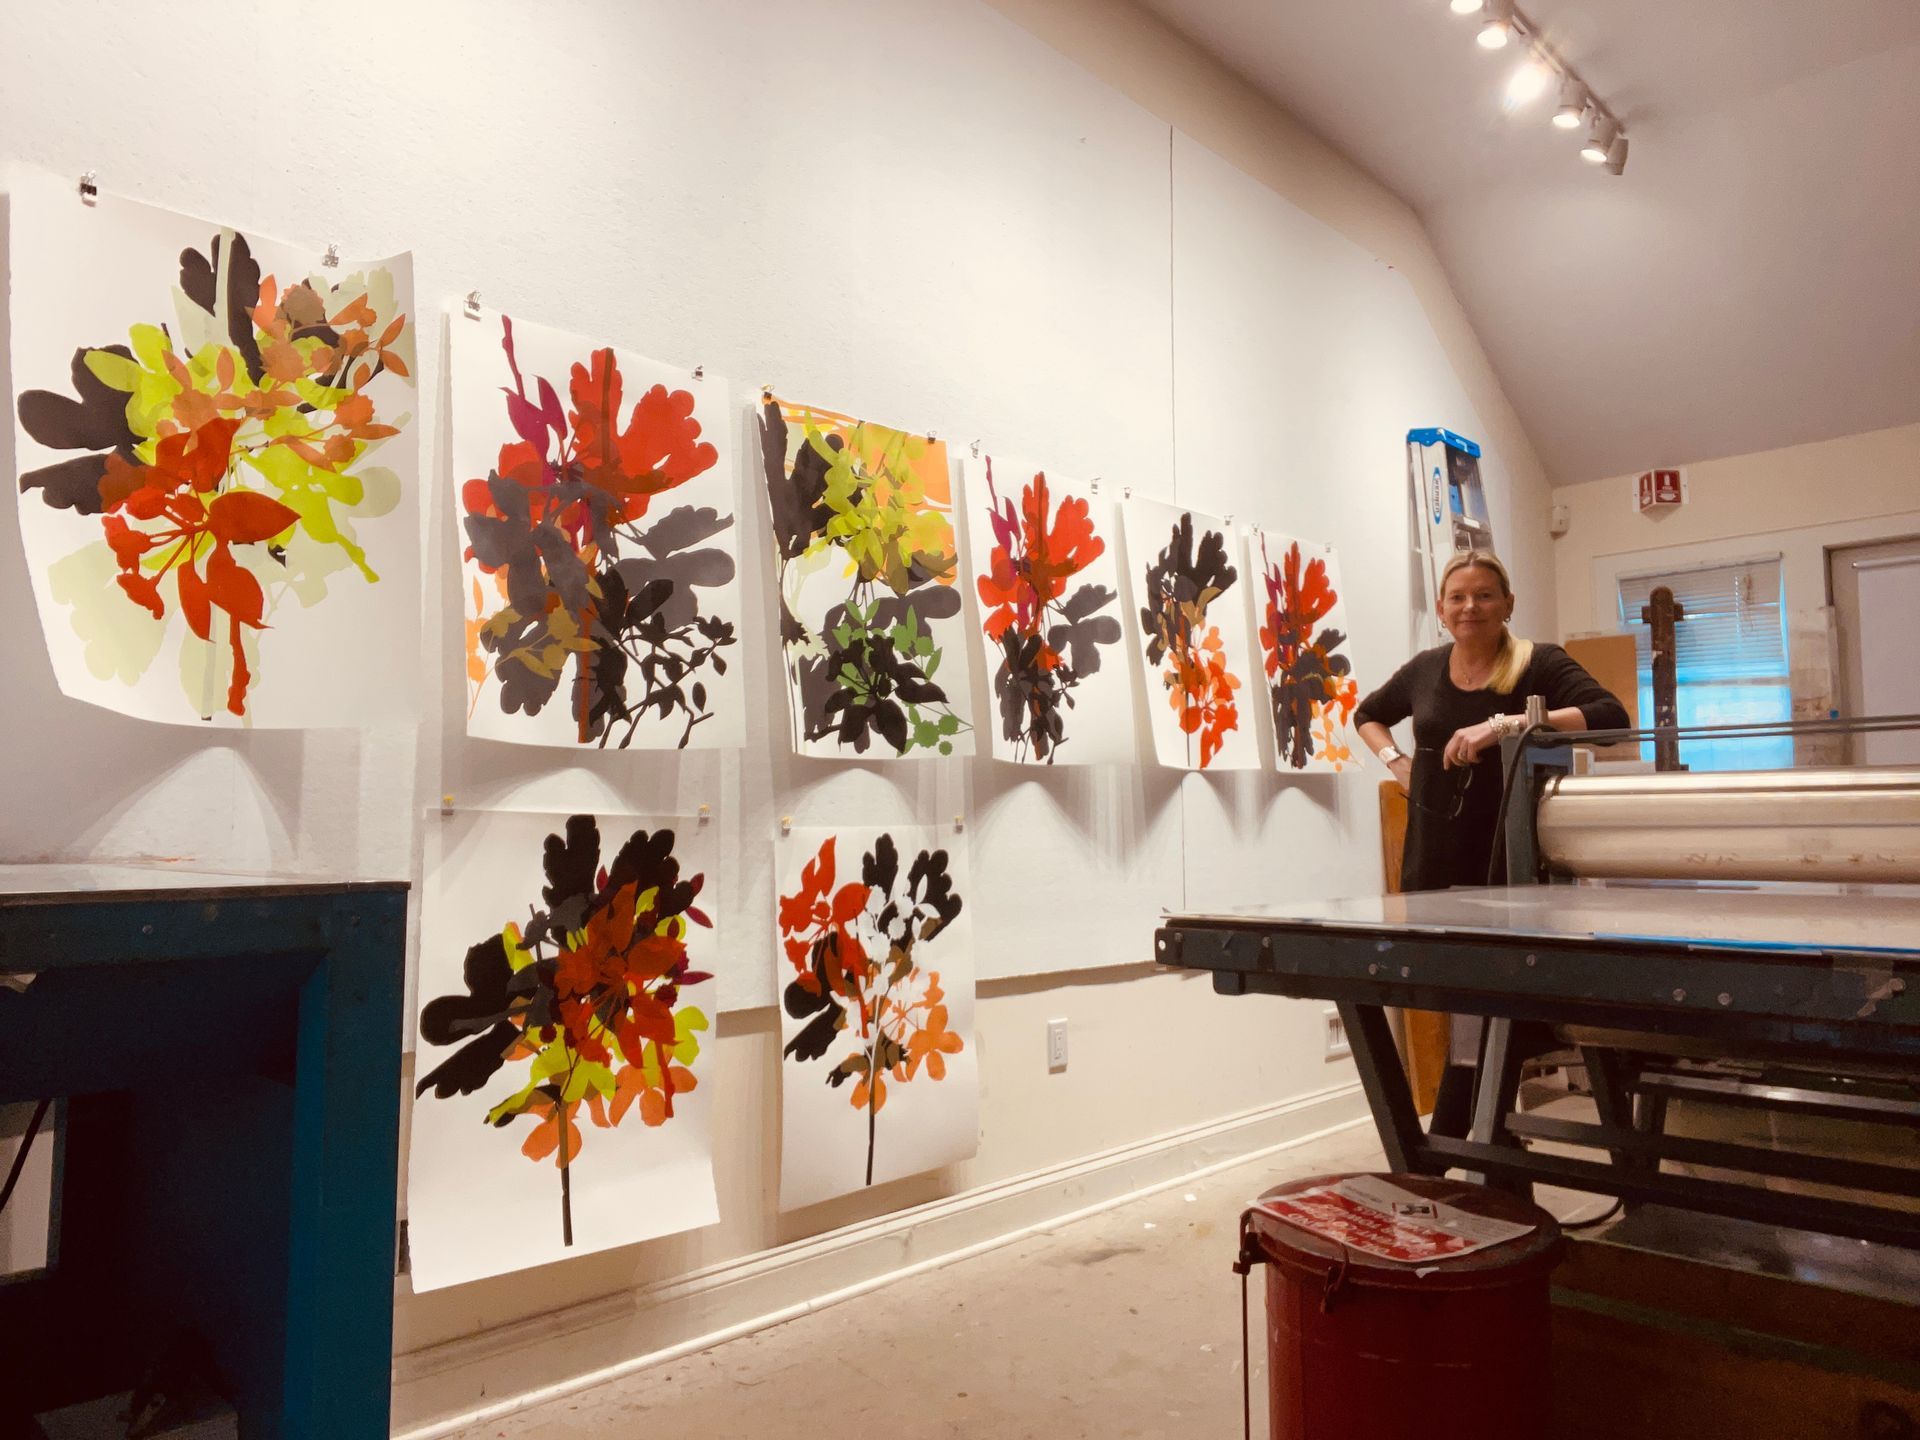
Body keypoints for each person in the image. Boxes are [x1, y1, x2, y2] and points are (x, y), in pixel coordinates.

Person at [1354, 549, 1629, 1132]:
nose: (1470, 607)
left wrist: (1507, 724)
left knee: (1495, 1015)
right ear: (1440, 609)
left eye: (1483, 595)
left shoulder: (1538, 664)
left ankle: (1460, 1148)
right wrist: (1397, 762)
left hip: (1512, 862)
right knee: (1466, 1012)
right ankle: (1483, 1154)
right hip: (1435, 858)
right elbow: (1367, 713)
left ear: (1508, 604)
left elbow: (1613, 716)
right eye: (1457, 597)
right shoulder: (1426, 668)